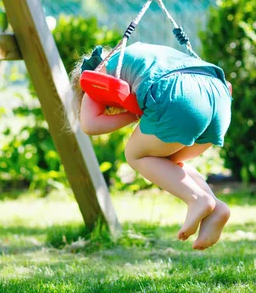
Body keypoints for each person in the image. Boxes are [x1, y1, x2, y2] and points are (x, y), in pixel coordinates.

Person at [71, 42, 232, 250]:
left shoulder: (96, 74)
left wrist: (133, 114)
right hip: (218, 97)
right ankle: (216, 206)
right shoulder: (142, 54)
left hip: (178, 96)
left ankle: (197, 199)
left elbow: (89, 124)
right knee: (164, 161)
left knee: (134, 155)